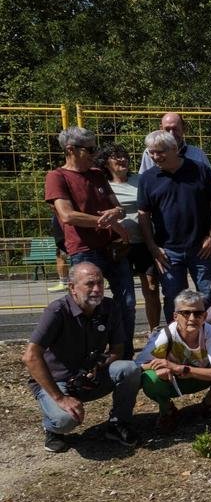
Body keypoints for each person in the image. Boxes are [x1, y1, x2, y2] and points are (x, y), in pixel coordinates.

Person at [23, 262, 141, 452]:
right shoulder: (57, 311)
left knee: (130, 369)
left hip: (89, 377)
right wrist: (60, 398)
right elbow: (30, 356)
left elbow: (117, 349)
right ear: (72, 288)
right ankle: (52, 428)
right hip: (57, 381)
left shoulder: (110, 308)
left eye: (101, 283)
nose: (97, 289)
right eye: (90, 284)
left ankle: (118, 423)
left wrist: (100, 365)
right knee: (66, 420)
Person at [46, 127, 136, 356]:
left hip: (112, 248)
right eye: (90, 149)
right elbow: (67, 215)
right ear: (70, 150)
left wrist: (115, 214)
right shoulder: (57, 177)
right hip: (84, 251)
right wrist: (104, 221)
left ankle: (123, 354)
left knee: (127, 302)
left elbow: (117, 208)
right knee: (87, 304)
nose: (95, 154)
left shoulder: (97, 174)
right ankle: (85, 354)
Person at [137, 129, 211, 318]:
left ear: (175, 148)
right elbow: (143, 215)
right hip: (168, 252)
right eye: (151, 152)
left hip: (202, 247)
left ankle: (210, 340)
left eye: (160, 151)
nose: (156, 156)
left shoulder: (199, 169)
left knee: (208, 296)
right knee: (174, 299)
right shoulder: (147, 179)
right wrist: (153, 248)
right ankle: (176, 343)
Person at [136, 290, 211, 431]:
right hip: (174, 381)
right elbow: (137, 365)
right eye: (186, 313)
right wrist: (157, 367)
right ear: (175, 316)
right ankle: (168, 411)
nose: (192, 318)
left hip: (200, 377)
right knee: (150, 379)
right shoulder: (164, 336)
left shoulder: (210, 332)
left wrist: (179, 368)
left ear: (204, 316)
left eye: (198, 313)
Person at [101, 144, 162, 334]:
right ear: (105, 162)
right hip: (120, 246)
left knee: (152, 289)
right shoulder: (103, 185)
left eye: (124, 156)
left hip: (145, 243)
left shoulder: (141, 180)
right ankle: (123, 336)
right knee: (125, 294)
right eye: (116, 157)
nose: (122, 160)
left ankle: (154, 333)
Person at [138, 112, 211, 174]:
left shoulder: (197, 154)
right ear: (161, 129)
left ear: (184, 129)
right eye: (167, 129)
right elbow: (144, 180)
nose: (171, 134)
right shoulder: (151, 153)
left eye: (175, 129)